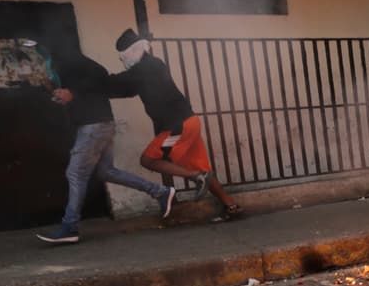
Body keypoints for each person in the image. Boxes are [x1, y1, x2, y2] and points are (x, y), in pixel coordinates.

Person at [57, 29, 241, 218]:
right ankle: (230, 206)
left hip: (178, 126)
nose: (122, 61)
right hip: (188, 122)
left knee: (149, 160)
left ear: (131, 52)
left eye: (122, 56)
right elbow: (124, 89)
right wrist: (88, 89)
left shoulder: (144, 69)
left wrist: (78, 90)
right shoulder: (152, 66)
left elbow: (113, 84)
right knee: (204, 169)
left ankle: (196, 177)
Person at [34, 41, 177, 245]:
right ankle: (160, 192)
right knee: (106, 171)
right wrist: (59, 91)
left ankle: (70, 227)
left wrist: (73, 93)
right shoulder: (70, 66)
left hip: (93, 125)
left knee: (75, 173)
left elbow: (99, 77)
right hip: (98, 124)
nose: (44, 58)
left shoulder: (76, 64)